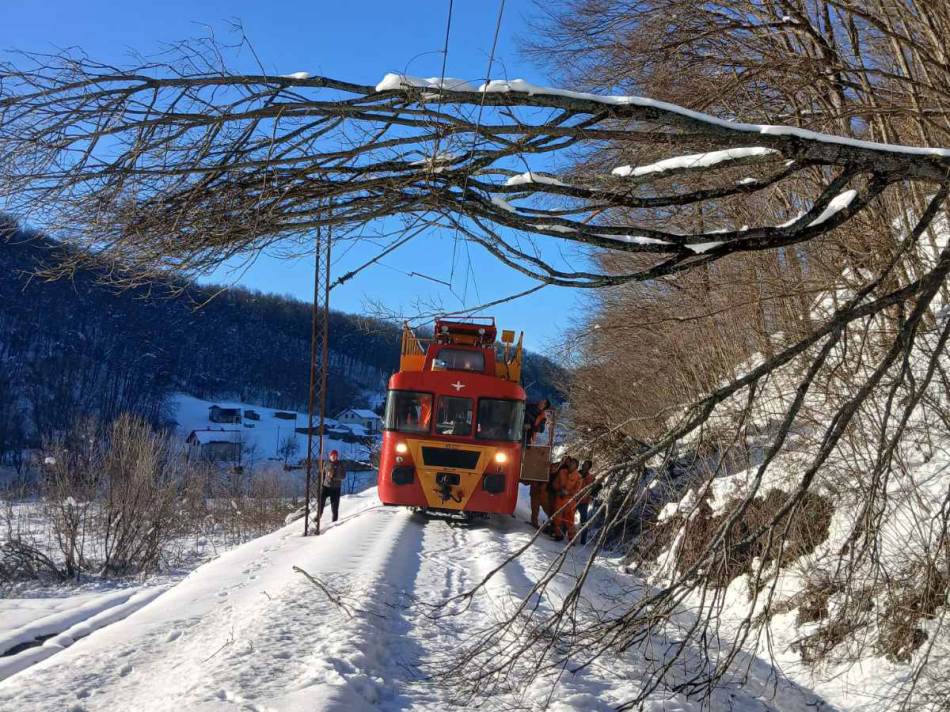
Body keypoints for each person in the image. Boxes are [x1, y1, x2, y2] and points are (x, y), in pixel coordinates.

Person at [552, 457, 581, 541]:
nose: (571, 465)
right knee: (557, 518)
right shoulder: (562, 472)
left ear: (576, 466)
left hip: (570, 501)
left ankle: (571, 538)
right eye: (571, 463)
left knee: (569, 520)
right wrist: (558, 489)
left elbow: (577, 490)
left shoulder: (578, 477)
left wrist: (568, 492)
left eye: (573, 464)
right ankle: (558, 536)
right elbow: (555, 483)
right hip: (559, 498)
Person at [319, 450, 346, 523]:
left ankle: (334, 523)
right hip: (326, 486)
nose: (333, 457)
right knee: (321, 500)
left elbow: (343, 476)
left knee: (334, 507)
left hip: (336, 488)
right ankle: (319, 514)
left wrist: (334, 476)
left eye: (335, 456)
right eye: (332, 455)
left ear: (337, 456)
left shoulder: (341, 464)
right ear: (329, 456)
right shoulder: (326, 463)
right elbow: (323, 474)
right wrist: (322, 483)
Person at [530, 460, 559, 528]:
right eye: (553, 467)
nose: (553, 468)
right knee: (535, 510)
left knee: (548, 509)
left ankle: (553, 524)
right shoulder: (538, 469)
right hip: (535, 493)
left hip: (544, 494)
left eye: (555, 467)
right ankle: (534, 524)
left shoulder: (553, 474)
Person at [578, 459, 595, 545]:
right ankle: (564, 534)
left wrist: (592, 495)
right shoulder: (577, 473)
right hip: (574, 499)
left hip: (584, 501)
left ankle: (583, 541)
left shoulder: (591, 477)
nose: (584, 465)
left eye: (586, 464)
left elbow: (598, 486)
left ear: (589, 467)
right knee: (568, 516)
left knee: (584, 521)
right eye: (584, 463)